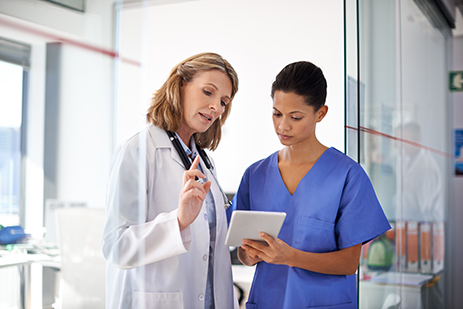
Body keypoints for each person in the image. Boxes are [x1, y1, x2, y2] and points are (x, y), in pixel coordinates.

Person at [228, 61, 390, 308]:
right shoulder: (255, 175)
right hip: (268, 300)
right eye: (276, 113)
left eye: (295, 117)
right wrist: (248, 255)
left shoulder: (347, 175)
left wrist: (290, 257)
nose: (283, 126)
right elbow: (243, 252)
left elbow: (349, 263)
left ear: (320, 114)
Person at [101, 52, 239, 309]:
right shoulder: (139, 151)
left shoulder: (203, 162)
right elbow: (116, 246)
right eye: (208, 92)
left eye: (223, 101)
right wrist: (178, 221)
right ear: (181, 85)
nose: (216, 107)